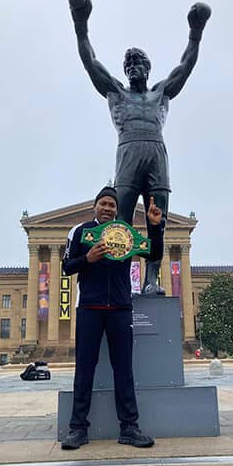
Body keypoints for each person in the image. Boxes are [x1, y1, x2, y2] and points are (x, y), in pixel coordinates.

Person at [68, 0, 211, 294]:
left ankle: (151, 280)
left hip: (157, 153)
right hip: (129, 152)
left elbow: (186, 65)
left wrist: (195, 32)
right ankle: (121, 279)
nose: (132, 67)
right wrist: (81, 22)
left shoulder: (161, 93)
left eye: (137, 63)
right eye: (128, 64)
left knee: (158, 221)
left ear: (148, 68)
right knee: (120, 223)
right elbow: (90, 61)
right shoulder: (115, 92)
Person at [61, 186, 164, 449]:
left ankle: (129, 427)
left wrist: (155, 227)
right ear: (95, 206)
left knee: (124, 369)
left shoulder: (126, 234)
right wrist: (87, 258)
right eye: (103, 203)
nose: (107, 208)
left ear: (117, 210)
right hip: (89, 308)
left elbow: (153, 254)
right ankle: (77, 428)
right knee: (85, 368)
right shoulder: (80, 232)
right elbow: (67, 266)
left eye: (112, 205)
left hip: (120, 309)